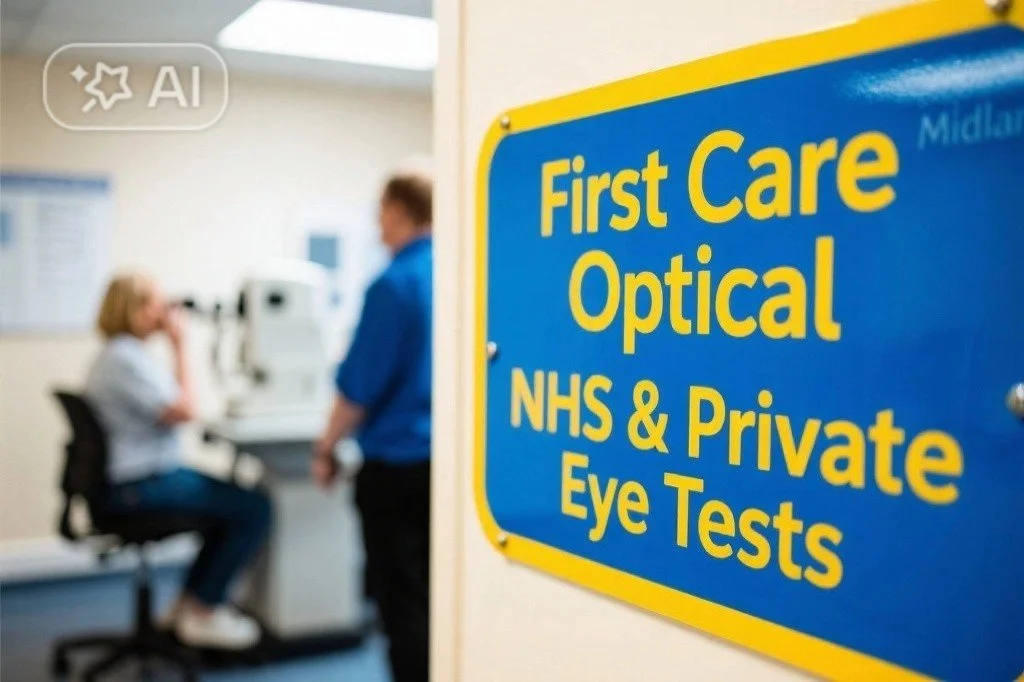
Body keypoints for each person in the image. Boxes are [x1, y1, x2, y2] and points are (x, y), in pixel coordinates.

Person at [84, 273, 271, 650]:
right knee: (253, 507)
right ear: (131, 309)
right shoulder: (125, 359)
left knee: (231, 500)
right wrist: (180, 344)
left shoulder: (121, 354)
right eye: (155, 302)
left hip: (135, 477)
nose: (165, 308)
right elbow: (186, 410)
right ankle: (203, 609)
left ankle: (192, 602)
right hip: (138, 485)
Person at [312, 168, 433, 682]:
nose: (377, 223)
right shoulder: (457, 273)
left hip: (396, 468)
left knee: (400, 602)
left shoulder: (393, 284)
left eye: (380, 211)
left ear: (401, 210)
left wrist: (325, 447)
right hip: (442, 467)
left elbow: (359, 387)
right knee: (435, 596)